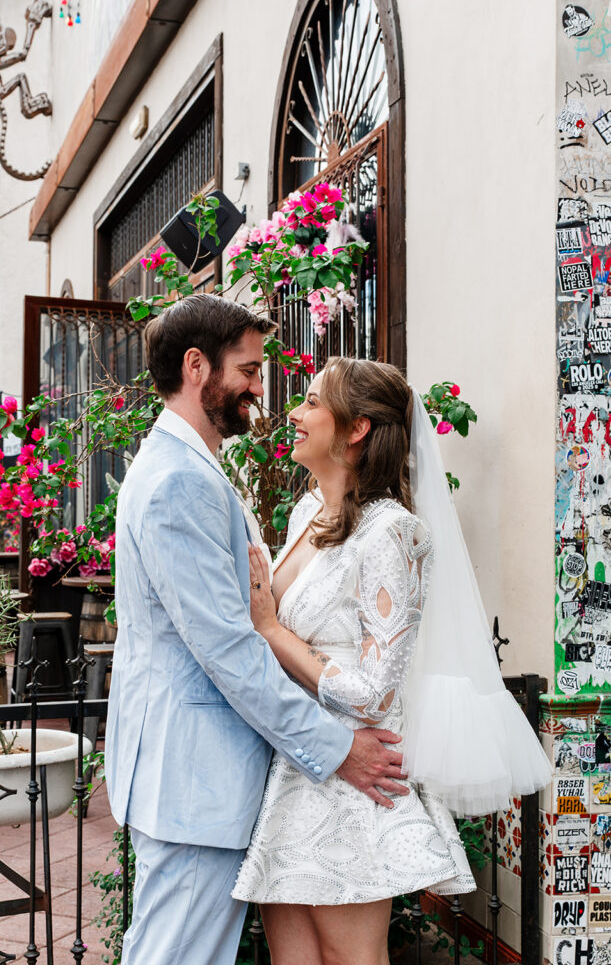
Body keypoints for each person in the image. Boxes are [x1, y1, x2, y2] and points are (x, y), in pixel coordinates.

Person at [104, 297, 410, 965]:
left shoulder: (194, 469)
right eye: (246, 368)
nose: (258, 387)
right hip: (194, 778)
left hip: (201, 778)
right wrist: (336, 748)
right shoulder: (178, 482)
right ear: (195, 367)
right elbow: (229, 650)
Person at [232, 357, 552, 965]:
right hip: (293, 769)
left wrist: (270, 630)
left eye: (312, 403)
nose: (294, 415)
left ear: (355, 429)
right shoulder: (306, 515)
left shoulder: (393, 533)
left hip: (355, 779)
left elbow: (376, 692)